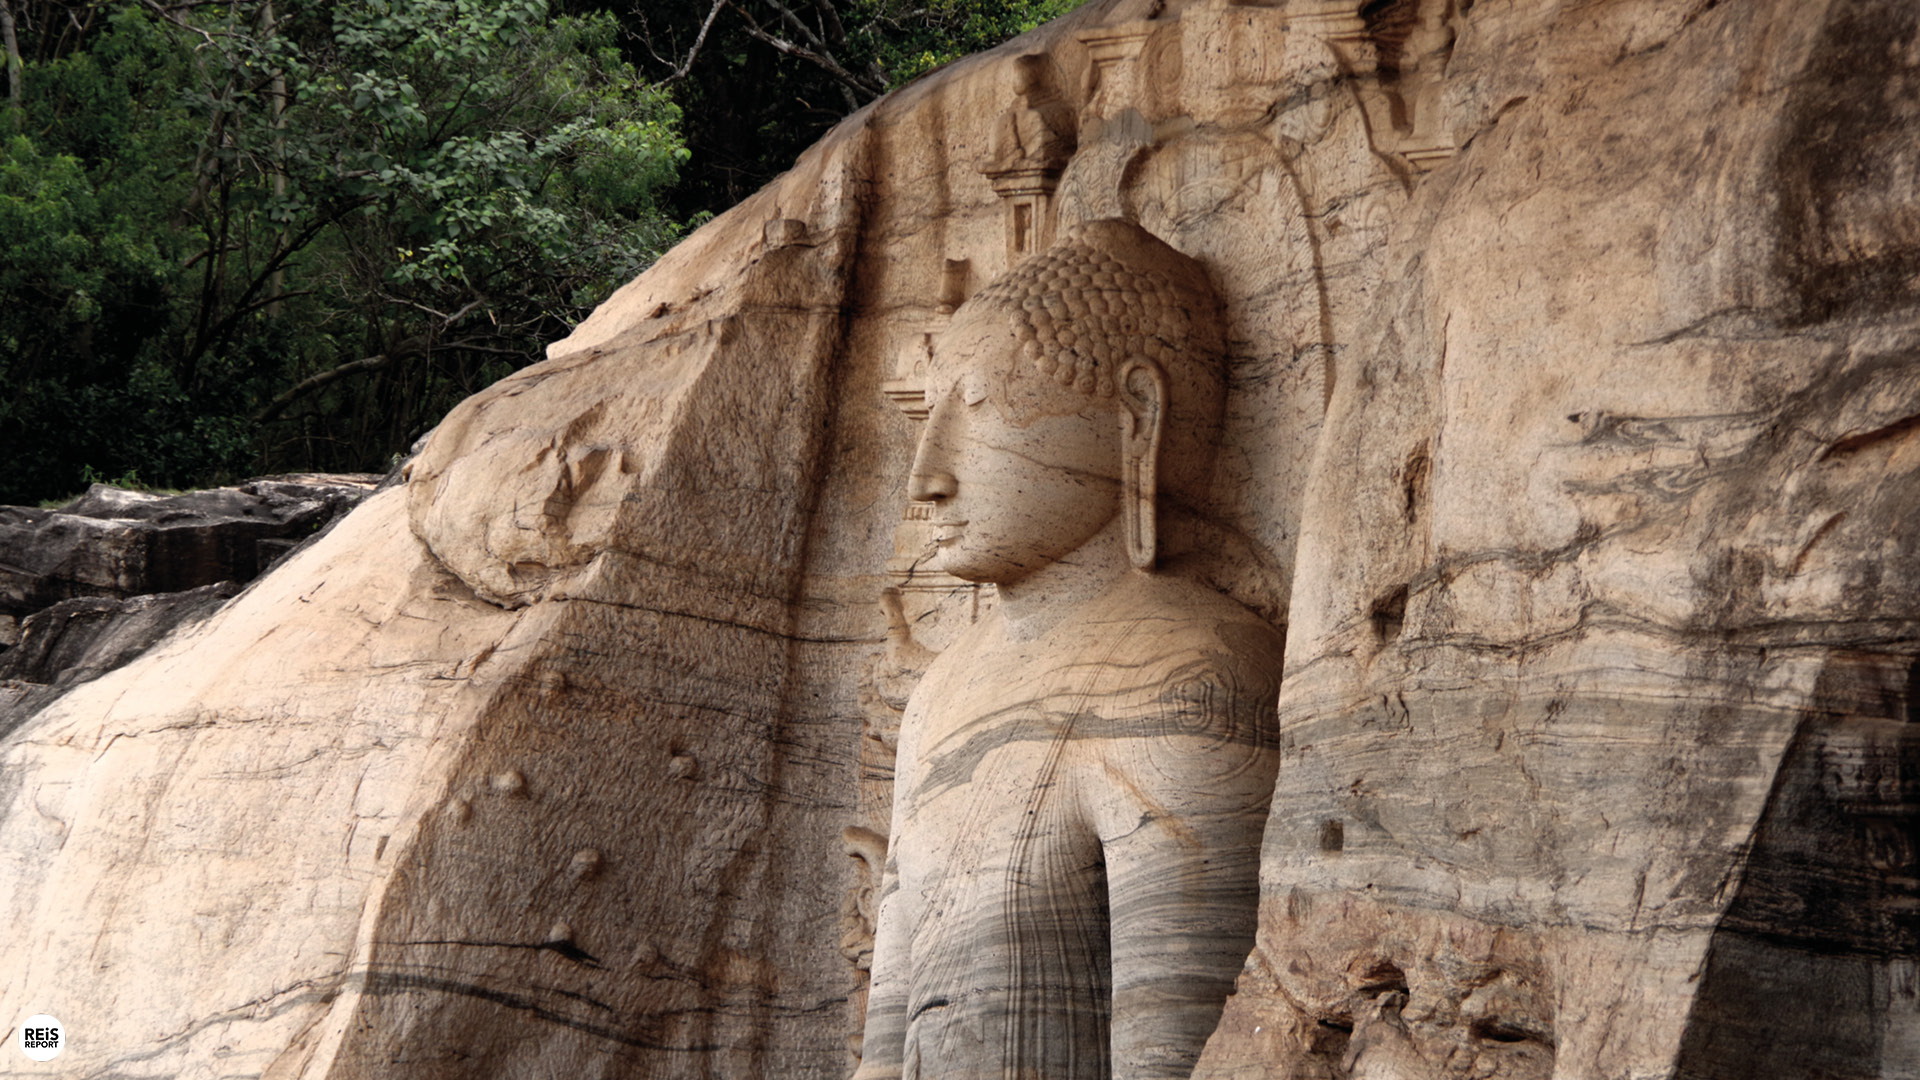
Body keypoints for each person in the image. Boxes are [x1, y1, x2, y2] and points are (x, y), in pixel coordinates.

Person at [855, 220, 1284, 1080]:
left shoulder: (1190, 669)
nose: (926, 477)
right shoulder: (939, 693)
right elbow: (883, 1043)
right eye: (929, 414)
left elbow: (1175, 1050)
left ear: (1137, 414)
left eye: (976, 408)